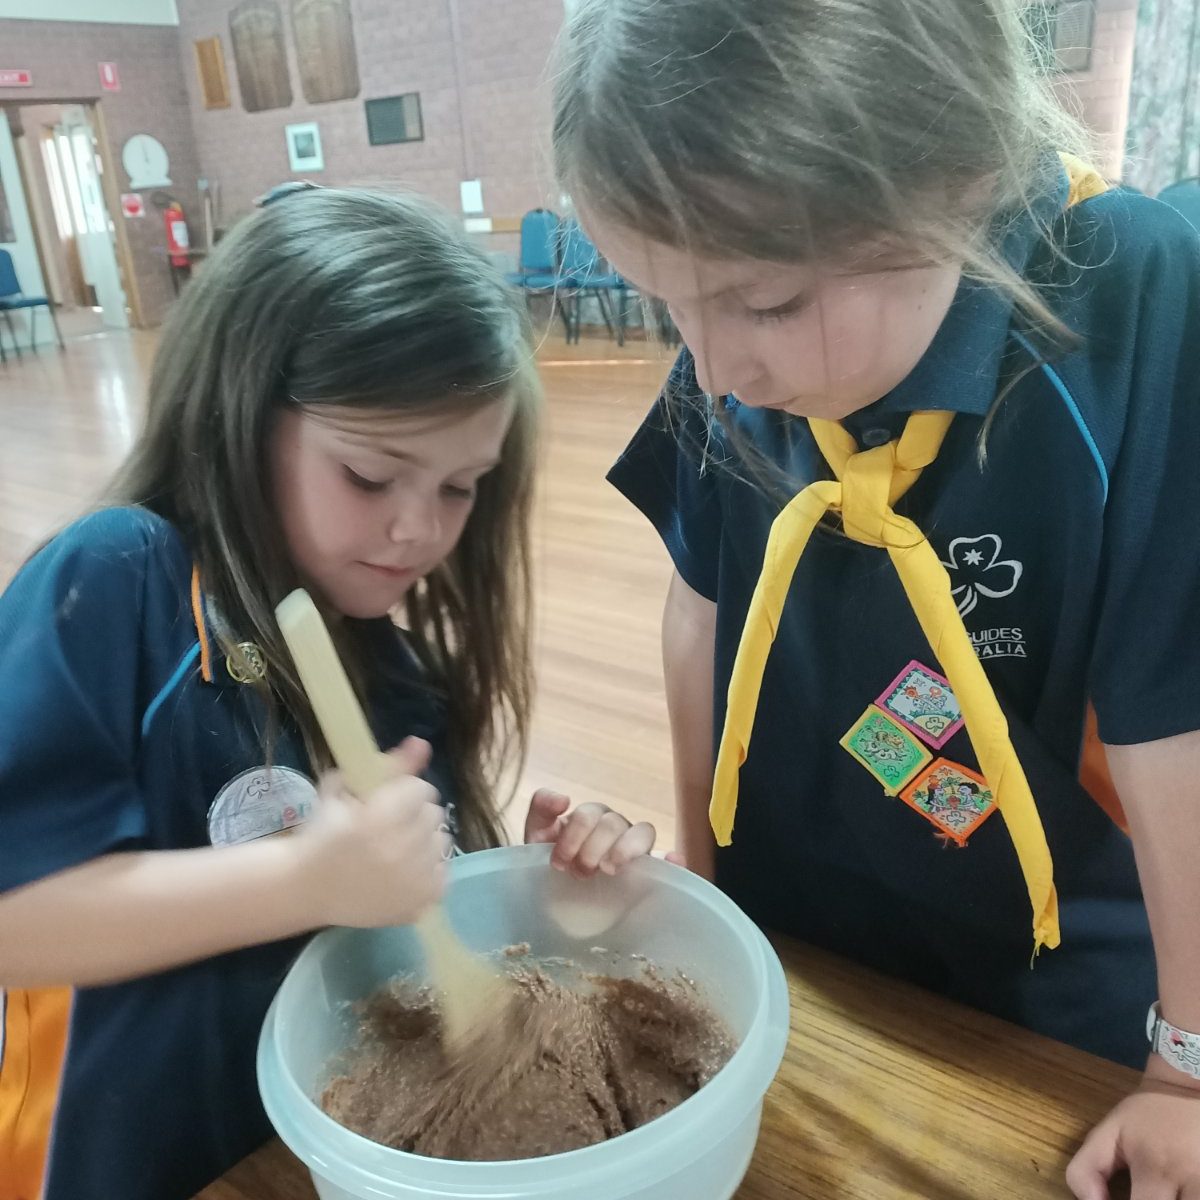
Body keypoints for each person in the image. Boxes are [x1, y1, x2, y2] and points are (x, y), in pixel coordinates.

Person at [551, 1, 1200, 1196]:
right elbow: (703, 601)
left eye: (765, 303)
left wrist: (1189, 1070)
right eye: (664, 305)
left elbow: (1175, 710)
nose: (713, 368)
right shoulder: (734, 337)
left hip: (1043, 978)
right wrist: (704, 889)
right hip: (805, 933)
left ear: (951, 177)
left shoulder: (1129, 292)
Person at [0, 187, 660, 1200]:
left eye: (458, 486)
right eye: (369, 474)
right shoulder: (121, 581)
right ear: (243, 412)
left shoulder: (397, 685)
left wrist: (540, 889)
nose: (418, 531)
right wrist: (302, 880)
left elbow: (398, 946)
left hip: (300, 1157)